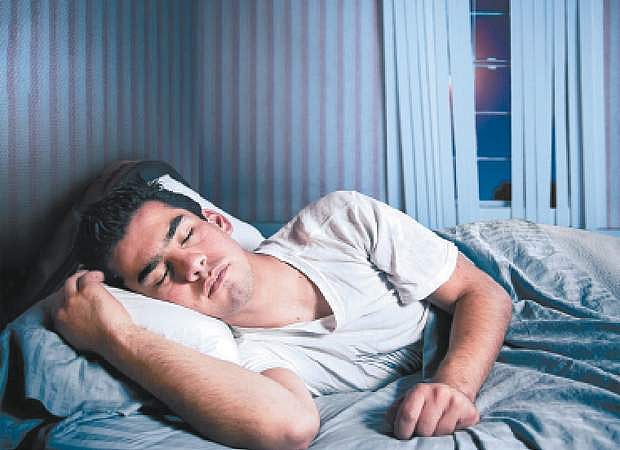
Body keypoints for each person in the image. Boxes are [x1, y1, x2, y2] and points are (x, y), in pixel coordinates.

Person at [52, 179, 512, 450]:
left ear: (219, 222)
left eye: (187, 235)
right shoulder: (243, 356)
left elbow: (480, 291)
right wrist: (115, 336)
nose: (192, 266)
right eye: (159, 274)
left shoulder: (340, 220)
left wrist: (454, 386)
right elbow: (290, 428)